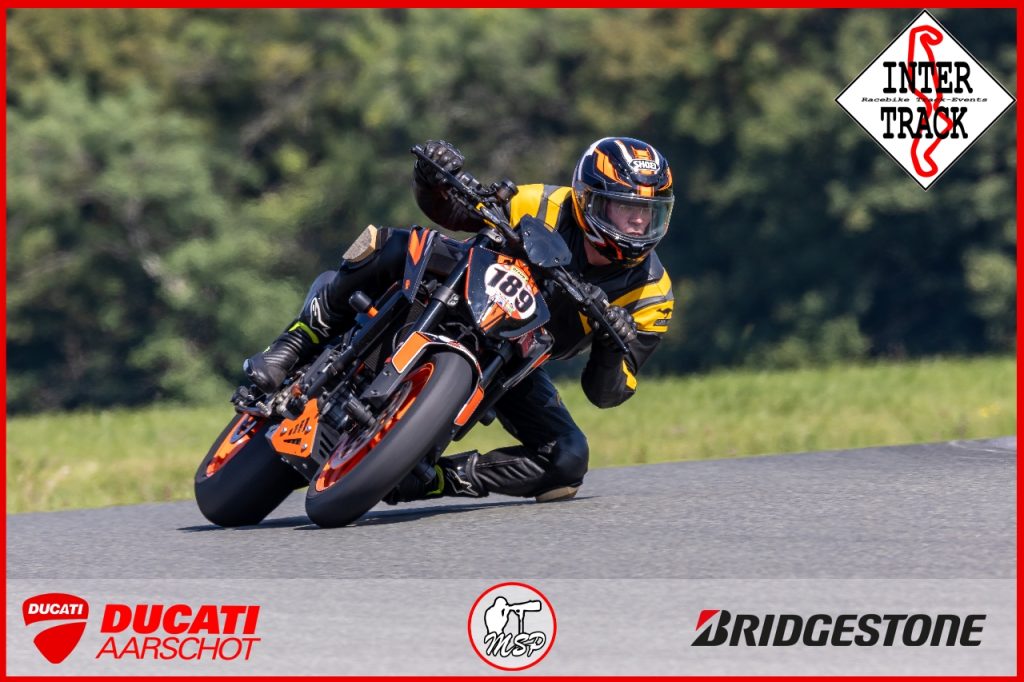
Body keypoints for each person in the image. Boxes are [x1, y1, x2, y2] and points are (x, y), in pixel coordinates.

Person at [243, 137, 675, 504]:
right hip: (456, 290)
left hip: (515, 360)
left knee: (568, 458)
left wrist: (609, 344)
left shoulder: (653, 294)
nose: (639, 222)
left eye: (650, 212)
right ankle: (296, 341)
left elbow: (606, 393)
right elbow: (456, 213)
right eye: (626, 208)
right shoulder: (542, 203)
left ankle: (434, 479)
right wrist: (430, 179)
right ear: (588, 200)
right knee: (395, 243)